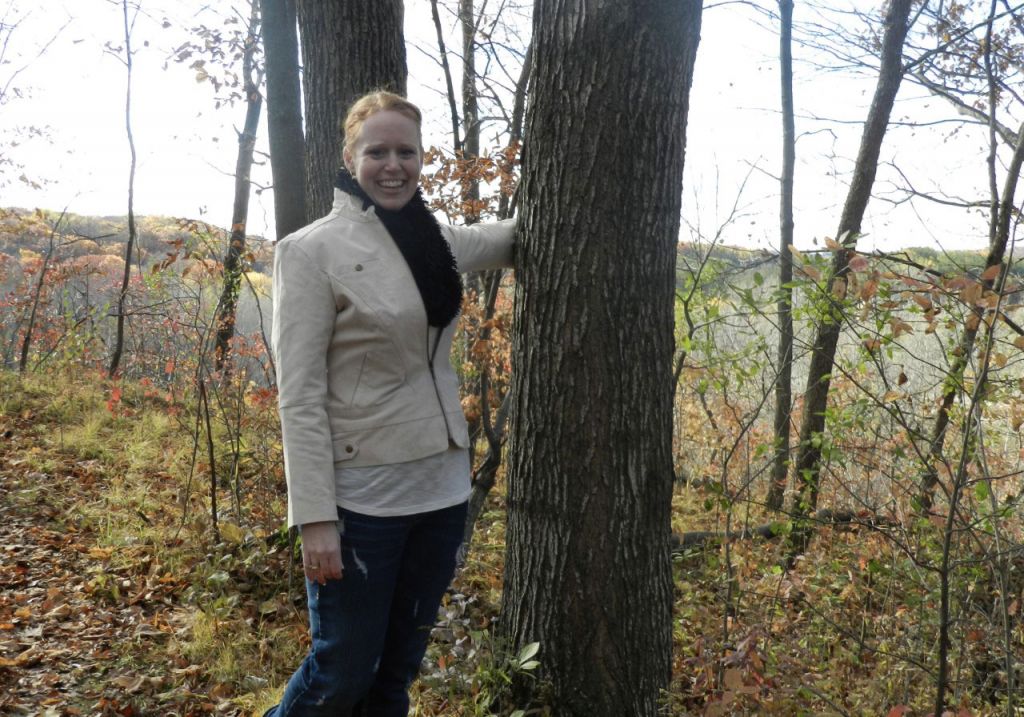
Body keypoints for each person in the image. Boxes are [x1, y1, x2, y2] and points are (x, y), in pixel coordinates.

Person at [264, 90, 515, 716]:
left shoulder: (432, 239)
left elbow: (505, 237)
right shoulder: (309, 252)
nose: (393, 165)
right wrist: (315, 517)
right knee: (339, 676)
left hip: (442, 492)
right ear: (351, 158)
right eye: (377, 151)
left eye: (406, 151)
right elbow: (298, 397)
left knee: (394, 677)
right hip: (363, 502)